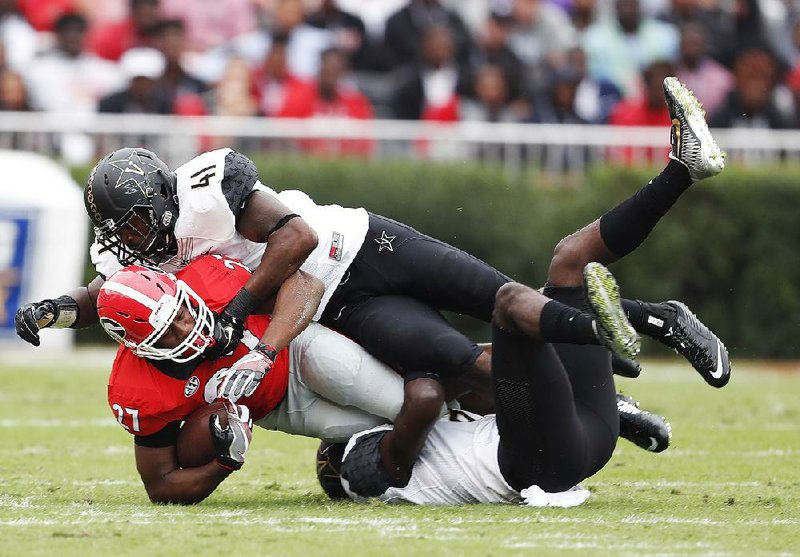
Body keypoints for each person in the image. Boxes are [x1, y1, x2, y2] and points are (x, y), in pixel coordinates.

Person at [15, 77, 729, 458]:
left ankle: (650, 320)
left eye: (141, 218)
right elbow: (108, 292)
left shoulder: (209, 185)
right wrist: (57, 307)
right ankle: (616, 386)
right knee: (461, 360)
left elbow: (293, 240)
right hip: (333, 306)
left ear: (164, 195)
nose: (135, 236)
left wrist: (238, 315)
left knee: (503, 297)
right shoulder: (123, 251)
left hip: (361, 242)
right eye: (123, 226)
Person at [97, 253, 669, 504]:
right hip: (278, 410)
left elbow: (304, 284)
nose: (186, 326)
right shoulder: (138, 392)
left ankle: (585, 399)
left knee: (433, 391)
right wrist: (225, 459)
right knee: (423, 406)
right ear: (135, 346)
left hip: (295, 355)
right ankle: (585, 403)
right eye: (168, 331)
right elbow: (159, 484)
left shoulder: (206, 279)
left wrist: (264, 348)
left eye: (180, 311)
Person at [333, 263, 659, 506]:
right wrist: (417, 352)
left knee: (570, 268)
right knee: (510, 303)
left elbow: (479, 385)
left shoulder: (406, 460)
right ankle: (594, 332)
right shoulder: (377, 462)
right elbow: (427, 396)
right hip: (528, 459)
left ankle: (615, 332)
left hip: (568, 445)